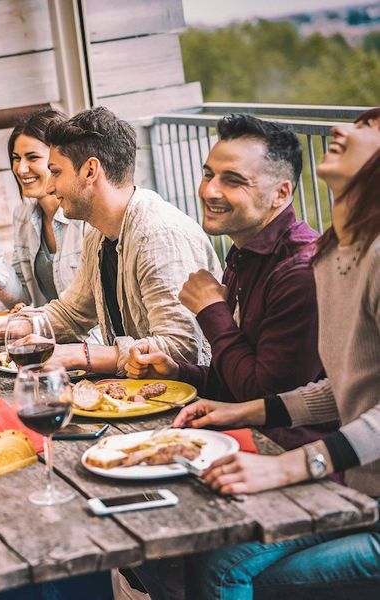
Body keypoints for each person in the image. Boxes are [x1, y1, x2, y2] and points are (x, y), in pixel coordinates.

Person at [137, 108, 380, 599]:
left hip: (360, 494)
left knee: (223, 567)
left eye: (369, 127)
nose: (341, 128)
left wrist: (287, 467)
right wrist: (252, 409)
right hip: (354, 483)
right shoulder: (337, 252)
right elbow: (348, 387)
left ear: (281, 194)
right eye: (208, 174)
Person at [124, 114, 333, 451]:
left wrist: (211, 310)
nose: (209, 190)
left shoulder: (300, 273)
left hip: (293, 455)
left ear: (281, 193)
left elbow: (263, 399)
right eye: (208, 174)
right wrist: (177, 374)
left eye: (233, 180)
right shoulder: (246, 252)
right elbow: (235, 382)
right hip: (246, 436)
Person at [0, 107, 221, 375]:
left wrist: (78, 355)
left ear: (90, 171)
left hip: (194, 401)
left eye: (57, 172)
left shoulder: (159, 235)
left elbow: (181, 349)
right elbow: (71, 313)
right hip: (138, 392)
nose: (50, 187)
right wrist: (1, 326)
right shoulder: (98, 233)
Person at [0, 109, 87, 307]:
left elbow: (92, 311)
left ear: (59, 159)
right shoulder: (22, 215)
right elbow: (21, 299)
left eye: (32, 157)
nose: (21, 169)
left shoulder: (86, 219)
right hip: (45, 334)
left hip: (90, 337)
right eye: (16, 158)